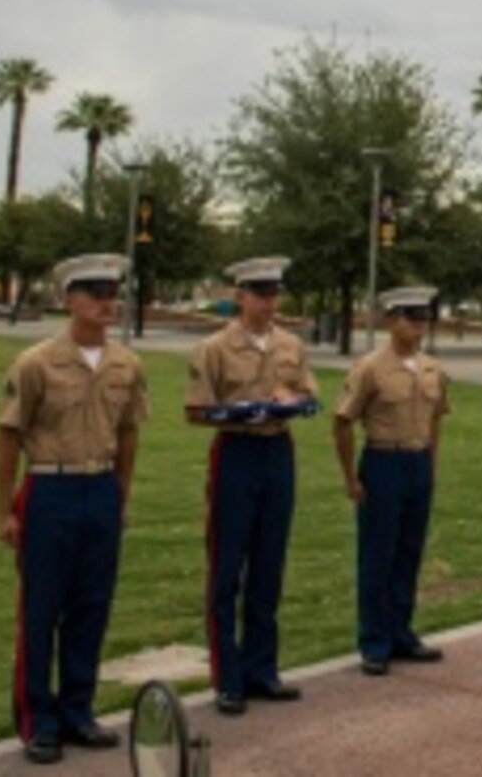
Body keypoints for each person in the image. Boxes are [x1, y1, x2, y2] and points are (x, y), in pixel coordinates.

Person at [0, 254, 148, 765]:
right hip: (49, 488)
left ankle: (78, 710)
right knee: (42, 609)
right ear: (69, 300)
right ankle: (39, 720)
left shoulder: (126, 364)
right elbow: (9, 435)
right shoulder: (37, 362)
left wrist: (121, 494)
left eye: (113, 291)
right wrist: (6, 510)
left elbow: (128, 433)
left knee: (91, 606)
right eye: (95, 292)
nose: (108, 301)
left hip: (100, 488)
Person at [184, 257, 317, 715]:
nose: (267, 303)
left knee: (269, 564)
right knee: (227, 567)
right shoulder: (215, 348)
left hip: (277, 452)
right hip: (236, 453)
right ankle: (228, 676)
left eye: (273, 294)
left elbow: (309, 396)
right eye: (258, 294)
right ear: (239, 296)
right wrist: (242, 410)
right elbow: (196, 410)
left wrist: (293, 401)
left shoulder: (290, 345)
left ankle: (263, 667)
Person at [334, 286, 450, 676]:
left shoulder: (433, 368)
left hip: (417, 463)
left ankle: (402, 631)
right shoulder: (370, 368)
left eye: (422, 319)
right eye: (409, 319)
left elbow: (436, 418)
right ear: (390, 321)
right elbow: (343, 422)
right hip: (384, 460)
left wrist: (431, 463)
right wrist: (351, 478)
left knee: (409, 552)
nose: (418, 327)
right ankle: (374, 640)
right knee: (378, 556)